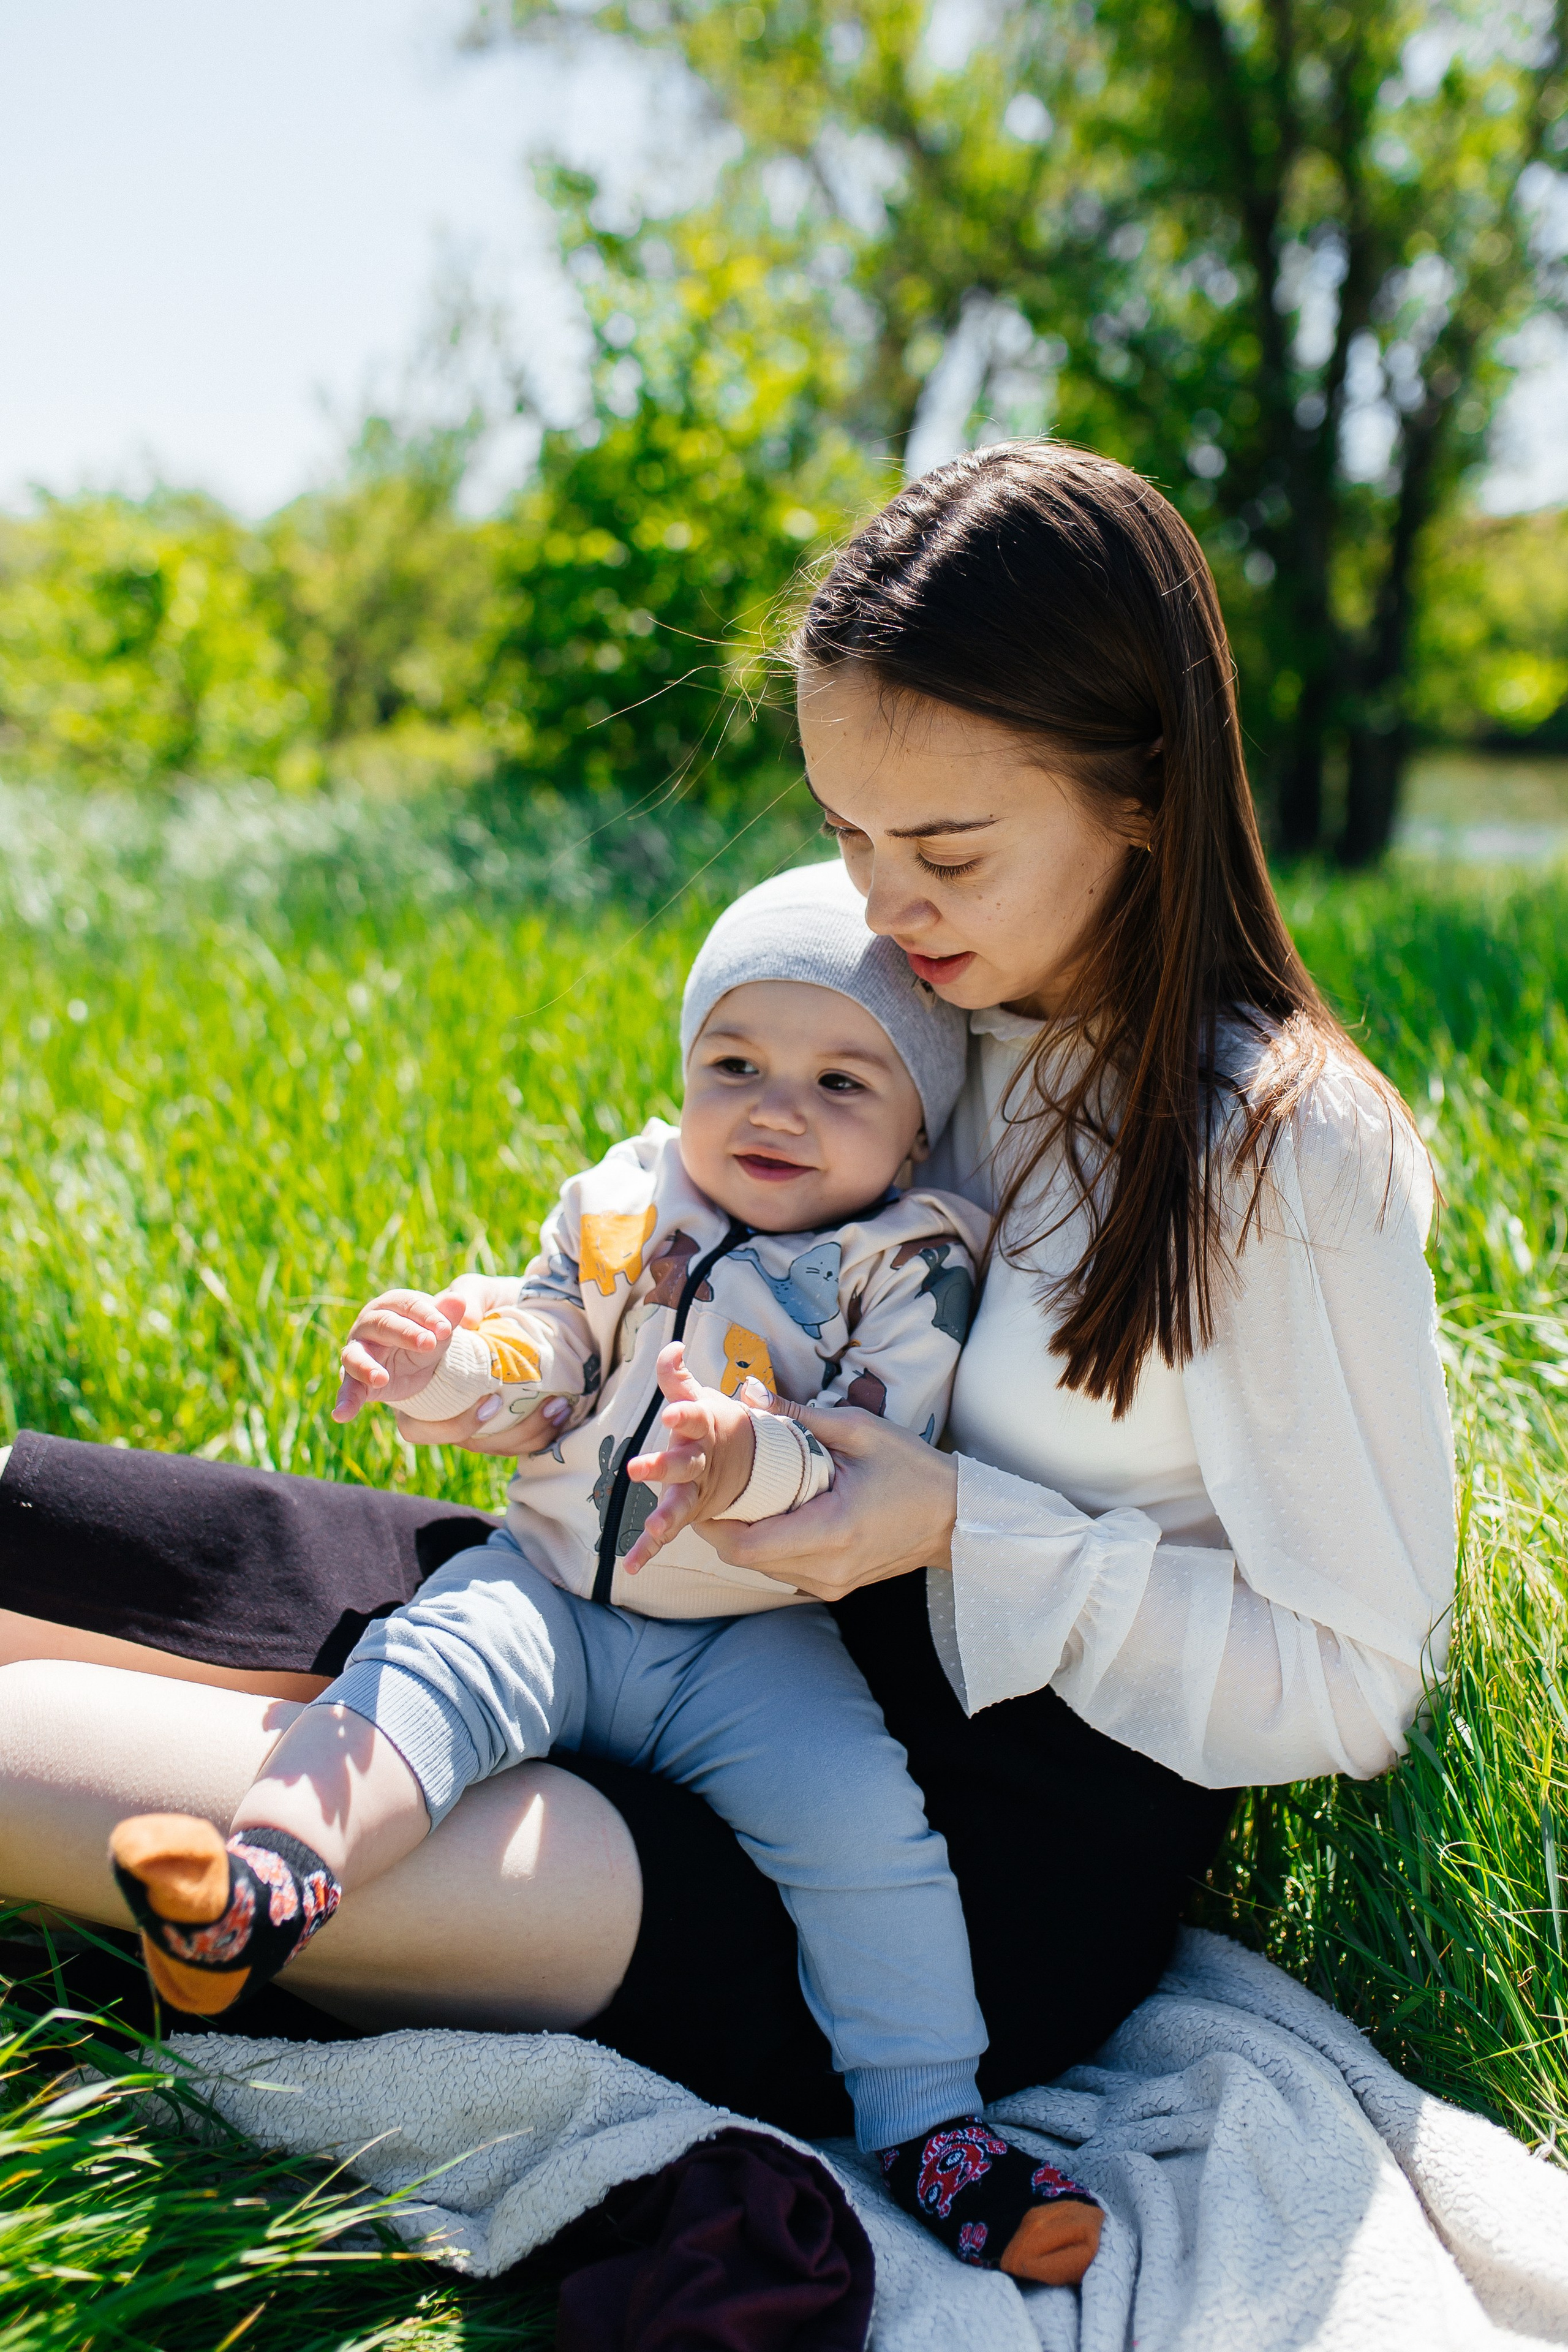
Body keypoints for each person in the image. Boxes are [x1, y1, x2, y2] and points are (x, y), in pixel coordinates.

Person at [0, 440, 1455, 2206]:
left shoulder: (1285, 1151)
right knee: (46, 1527)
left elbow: (1361, 1678)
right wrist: (520, 1345)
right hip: (667, 1570)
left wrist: (958, 1531)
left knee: (118, 1786)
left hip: (937, 1853)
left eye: (942, 849)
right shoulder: (936, 1003)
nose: (880, 901)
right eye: (846, 831)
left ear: (1144, 791)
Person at [104, 864, 1104, 2284]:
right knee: (410, 1680)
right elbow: (546, 1354)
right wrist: (444, 1365)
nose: (774, 1107)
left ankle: (934, 2125)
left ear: (915, 1127)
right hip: (549, 1588)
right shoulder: (627, 1206)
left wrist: (742, 1458)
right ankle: (265, 1885)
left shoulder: (908, 1262)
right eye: (736, 1063)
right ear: (685, 1068)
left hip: (749, 1643)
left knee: (863, 1832)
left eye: (840, 1083)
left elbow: (876, 1442)